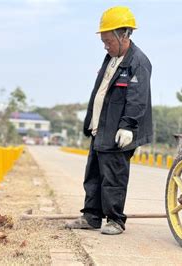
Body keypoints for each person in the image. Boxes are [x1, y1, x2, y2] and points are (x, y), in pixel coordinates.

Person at [65, 6, 153, 235]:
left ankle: (115, 220)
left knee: (113, 177)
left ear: (123, 35)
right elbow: (101, 91)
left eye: (107, 40)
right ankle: (91, 217)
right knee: (93, 174)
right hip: (100, 129)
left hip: (118, 132)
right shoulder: (110, 58)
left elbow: (137, 99)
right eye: (103, 40)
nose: (105, 45)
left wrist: (128, 126)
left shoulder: (138, 62)